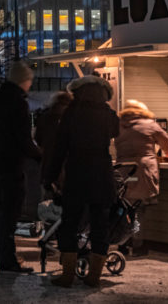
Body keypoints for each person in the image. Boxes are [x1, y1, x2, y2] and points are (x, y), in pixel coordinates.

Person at [45, 75, 119, 288]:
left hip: (77, 173)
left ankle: (68, 274)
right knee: (100, 225)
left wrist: (50, 177)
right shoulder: (109, 114)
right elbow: (115, 131)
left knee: (69, 224)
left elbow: (60, 148)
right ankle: (94, 275)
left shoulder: (71, 113)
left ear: (78, 92)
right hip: (102, 174)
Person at [0, 60, 42, 273]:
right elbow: (22, 136)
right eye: (29, 80)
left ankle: (3, 252)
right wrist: (38, 154)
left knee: (4, 210)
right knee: (11, 211)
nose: (30, 85)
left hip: (1, 160)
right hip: (12, 162)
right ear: (23, 80)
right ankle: (8, 258)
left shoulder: (1, 98)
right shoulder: (18, 102)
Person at [114, 100, 168, 256]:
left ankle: (122, 243)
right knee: (138, 209)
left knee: (124, 208)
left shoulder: (118, 125)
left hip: (123, 172)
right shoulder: (149, 124)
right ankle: (138, 243)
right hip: (141, 171)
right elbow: (167, 145)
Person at [35, 91, 73, 196]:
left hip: (48, 161)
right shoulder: (72, 118)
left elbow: (38, 138)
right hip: (67, 162)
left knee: (49, 196)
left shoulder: (45, 117)